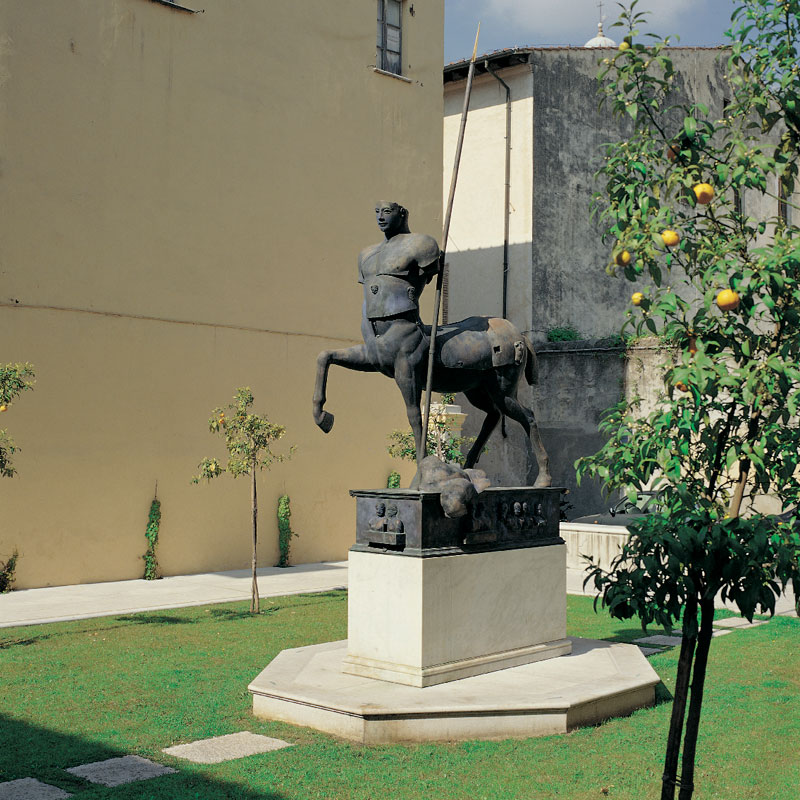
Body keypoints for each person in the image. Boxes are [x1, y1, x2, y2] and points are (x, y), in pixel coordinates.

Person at [357, 202, 440, 375]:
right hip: (371, 331)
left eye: (387, 211)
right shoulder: (366, 254)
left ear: (401, 213)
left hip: (404, 326)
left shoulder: (421, 244)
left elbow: (429, 272)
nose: (380, 217)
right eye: (377, 211)